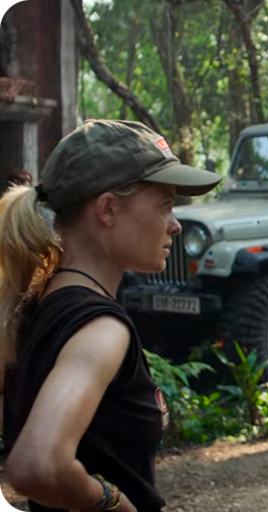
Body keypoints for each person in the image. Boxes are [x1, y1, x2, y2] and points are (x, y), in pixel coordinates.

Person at [0, 120, 220, 512]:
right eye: (165, 205)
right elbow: (37, 465)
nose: (175, 225)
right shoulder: (99, 328)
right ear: (108, 209)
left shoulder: (36, 303)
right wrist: (115, 503)